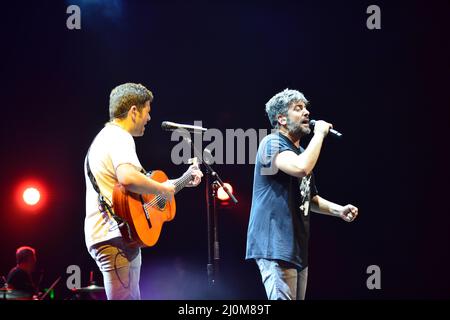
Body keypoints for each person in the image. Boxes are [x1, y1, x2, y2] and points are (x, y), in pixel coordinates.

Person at [84, 83, 203, 300]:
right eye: (147, 111)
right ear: (133, 111)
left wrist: (184, 180)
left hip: (116, 236)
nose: (149, 118)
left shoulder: (106, 137)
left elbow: (144, 192)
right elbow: (128, 178)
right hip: (114, 236)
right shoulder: (119, 137)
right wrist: (162, 187)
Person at [246, 88, 359, 300]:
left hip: (296, 248)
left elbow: (310, 198)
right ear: (281, 119)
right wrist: (319, 134)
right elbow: (301, 168)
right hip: (275, 245)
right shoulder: (271, 143)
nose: (306, 112)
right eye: (298, 109)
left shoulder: (299, 152)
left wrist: (338, 210)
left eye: (306, 107)